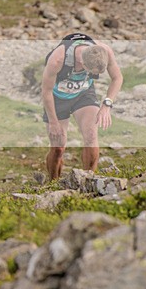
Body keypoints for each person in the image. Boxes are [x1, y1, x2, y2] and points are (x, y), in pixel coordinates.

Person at [42, 33, 122, 180]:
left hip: (83, 94)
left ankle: (89, 181)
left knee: (91, 136)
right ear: (81, 63)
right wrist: (53, 122)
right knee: (58, 146)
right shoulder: (57, 60)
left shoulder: (104, 51)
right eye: (90, 72)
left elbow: (117, 78)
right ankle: (53, 184)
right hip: (57, 97)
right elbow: (46, 91)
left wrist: (107, 104)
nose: (92, 75)